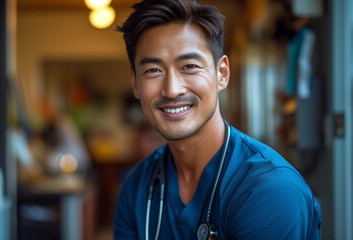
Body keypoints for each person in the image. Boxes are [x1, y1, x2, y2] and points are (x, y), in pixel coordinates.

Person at [114, 0, 322, 239]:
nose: (171, 90)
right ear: (135, 83)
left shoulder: (271, 190)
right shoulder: (137, 187)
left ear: (221, 74)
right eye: (153, 70)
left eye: (189, 66)